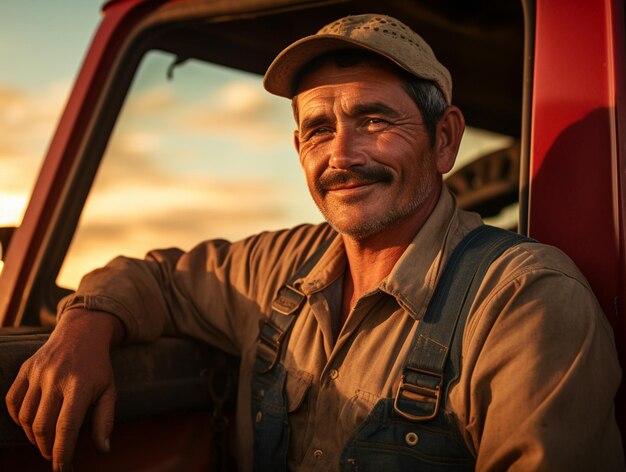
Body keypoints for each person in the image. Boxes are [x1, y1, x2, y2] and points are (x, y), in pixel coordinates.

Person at [6, 13, 624, 472]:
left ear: (444, 140)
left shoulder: (526, 301)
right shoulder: (277, 266)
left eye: (374, 120)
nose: (342, 157)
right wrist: (84, 326)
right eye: (318, 130)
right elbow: (157, 278)